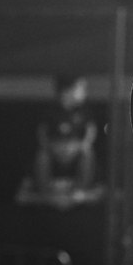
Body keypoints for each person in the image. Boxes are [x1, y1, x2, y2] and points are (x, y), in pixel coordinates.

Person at [16, 74, 101, 209]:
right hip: (55, 151)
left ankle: (81, 190)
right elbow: (42, 133)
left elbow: (91, 131)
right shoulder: (50, 111)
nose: (85, 93)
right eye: (81, 89)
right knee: (42, 155)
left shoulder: (84, 111)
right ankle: (44, 191)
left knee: (88, 154)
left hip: (76, 152)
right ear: (66, 91)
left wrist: (81, 146)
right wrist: (53, 148)